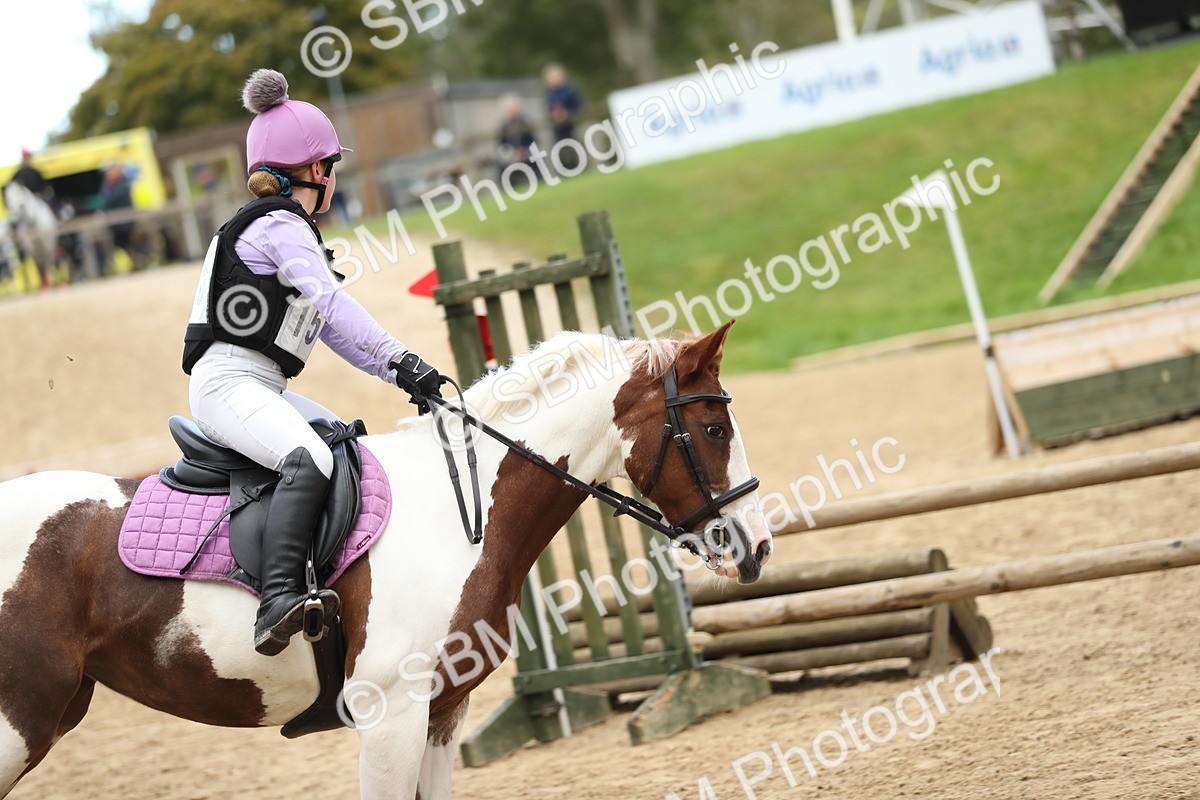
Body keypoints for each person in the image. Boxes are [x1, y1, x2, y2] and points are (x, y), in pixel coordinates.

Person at [182, 68, 444, 656]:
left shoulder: (280, 227)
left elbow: (329, 329)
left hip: (257, 383)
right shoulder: (280, 225)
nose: (334, 180)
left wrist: (398, 370)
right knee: (308, 458)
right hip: (229, 381)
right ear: (317, 170)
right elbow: (331, 305)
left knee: (344, 444)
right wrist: (402, 359)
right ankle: (276, 598)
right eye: (333, 168)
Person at [496, 93, 538, 185]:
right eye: (509, 110)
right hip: (511, 155)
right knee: (499, 163)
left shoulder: (525, 122)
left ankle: (540, 181)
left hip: (526, 152)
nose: (512, 112)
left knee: (537, 156)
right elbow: (501, 145)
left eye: (513, 109)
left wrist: (524, 151)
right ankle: (507, 187)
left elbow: (533, 141)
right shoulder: (503, 126)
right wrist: (512, 154)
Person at [543, 63, 583, 157]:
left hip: (573, 127)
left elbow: (579, 107)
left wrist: (567, 114)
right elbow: (548, 110)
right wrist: (554, 115)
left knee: (577, 152)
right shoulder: (549, 94)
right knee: (562, 154)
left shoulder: (570, 90)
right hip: (558, 129)